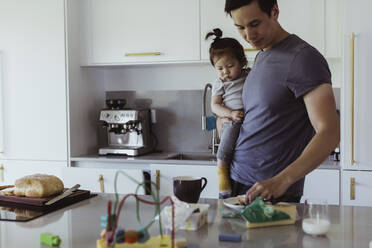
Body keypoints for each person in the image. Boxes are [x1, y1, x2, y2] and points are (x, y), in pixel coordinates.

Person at [223, 0, 340, 204]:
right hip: (238, 180)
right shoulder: (261, 57)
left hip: (272, 191)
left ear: (274, 11)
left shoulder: (303, 58)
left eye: (254, 24)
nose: (248, 36)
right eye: (240, 27)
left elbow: (330, 132)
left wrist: (282, 180)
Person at [205, 28, 250, 199]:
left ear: (242, 62)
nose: (225, 72)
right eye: (220, 68)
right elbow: (215, 106)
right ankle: (222, 171)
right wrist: (230, 114)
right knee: (228, 136)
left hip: (248, 119)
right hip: (232, 120)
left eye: (230, 66)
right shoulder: (220, 83)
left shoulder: (249, 75)